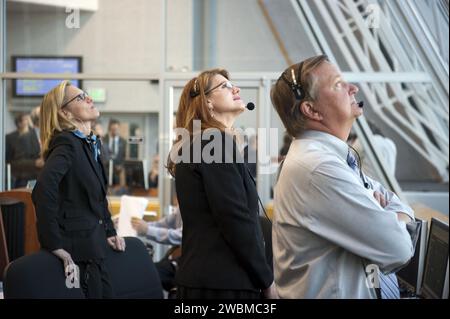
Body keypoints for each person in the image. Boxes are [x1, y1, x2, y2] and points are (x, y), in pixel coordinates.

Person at [271, 55, 416, 299]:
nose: (353, 88)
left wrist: (385, 217)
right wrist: (387, 218)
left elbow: (399, 204)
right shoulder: (319, 168)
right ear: (312, 109)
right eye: (338, 84)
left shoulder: (336, 158)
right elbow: (398, 248)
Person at [167, 68, 277, 299]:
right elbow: (234, 218)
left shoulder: (205, 141)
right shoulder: (213, 141)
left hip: (208, 279)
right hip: (224, 283)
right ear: (207, 102)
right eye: (225, 86)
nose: (235, 88)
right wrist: (266, 280)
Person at [31, 81, 126, 298]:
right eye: (80, 98)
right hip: (78, 252)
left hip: (95, 246)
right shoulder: (67, 143)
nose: (89, 99)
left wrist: (109, 232)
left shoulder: (91, 144)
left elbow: (97, 198)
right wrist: (53, 243)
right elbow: (43, 190)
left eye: (86, 95)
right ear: (65, 112)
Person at [131, 205, 182, 294]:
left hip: (195, 264)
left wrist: (148, 230)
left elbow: (181, 236)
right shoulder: (181, 206)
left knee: (149, 276)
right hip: (180, 262)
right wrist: (137, 225)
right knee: (145, 272)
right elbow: (163, 224)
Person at [5, 112, 43, 188]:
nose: (29, 122)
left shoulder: (34, 135)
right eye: (26, 120)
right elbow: (9, 162)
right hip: (19, 178)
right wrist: (34, 163)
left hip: (35, 176)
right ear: (19, 123)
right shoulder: (10, 138)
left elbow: (37, 154)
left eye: (29, 120)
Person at [103, 119, 127, 185]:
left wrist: (121, 166)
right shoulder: (104, 139)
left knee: (118, 191)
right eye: (113, 129)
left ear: (119, 128)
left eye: (116, 129)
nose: (114, 131)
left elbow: (125, 156)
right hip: (106, 170)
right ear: (109, 129)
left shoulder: (123, 141)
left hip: (118, 171)